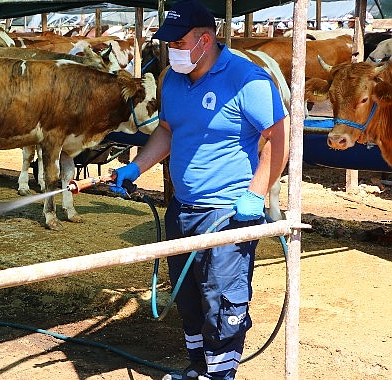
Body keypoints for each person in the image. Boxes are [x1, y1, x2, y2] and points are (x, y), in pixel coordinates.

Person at [110, 1, 290, 379]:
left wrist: (256, 194)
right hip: (183, 208)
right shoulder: (173, 80)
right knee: (189, 297)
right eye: (168, 42)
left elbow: (278, 137)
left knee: (221, 299)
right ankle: (199, 368)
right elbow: (168, 129)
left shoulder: (247, 80)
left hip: (226, 213)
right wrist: (137, 166)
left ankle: (221, 374)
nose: (171, 49)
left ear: (204, 40)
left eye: (178, 42)